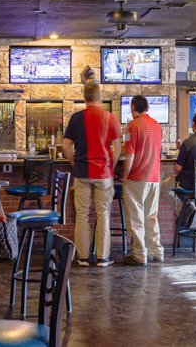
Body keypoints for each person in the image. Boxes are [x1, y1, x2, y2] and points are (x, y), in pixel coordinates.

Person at [63, 82, 122, 267]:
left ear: (84, 98)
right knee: (103, 214)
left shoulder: (76, 117)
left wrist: (74, 161)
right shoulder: (110, 117)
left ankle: (83, 258)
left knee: (82, 214)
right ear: (100, 97)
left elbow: (65, 146)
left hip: (82, 173)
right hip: (103, 173)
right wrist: (110, 163)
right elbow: (118, 147)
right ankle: (103, 258)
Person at [120, 95, 165, 266]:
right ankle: (157, 252)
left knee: (136, 218)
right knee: (151, 216)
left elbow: (129, 154)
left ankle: (139, 255)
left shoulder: (132, 126)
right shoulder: (157, 126)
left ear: (132, 107)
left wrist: (125, 174)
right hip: (155, 177)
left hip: (138, 177)